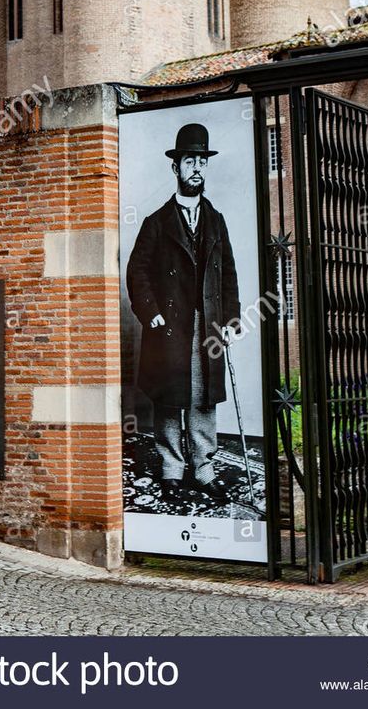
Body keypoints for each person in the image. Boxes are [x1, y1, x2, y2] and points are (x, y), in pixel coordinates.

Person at [126, 122, 240, 503]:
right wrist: (151, 313)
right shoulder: (156, 223)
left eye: (201, 162)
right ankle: (172, 469)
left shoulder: (217, 220)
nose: (196, 168)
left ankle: (204, 468)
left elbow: (229, 275)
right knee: (171, 400)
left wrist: (232, 319)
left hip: (207, 325)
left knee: (203, 399)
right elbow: (137, 272)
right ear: (175, 168)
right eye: (189, 161)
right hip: (169, 327)